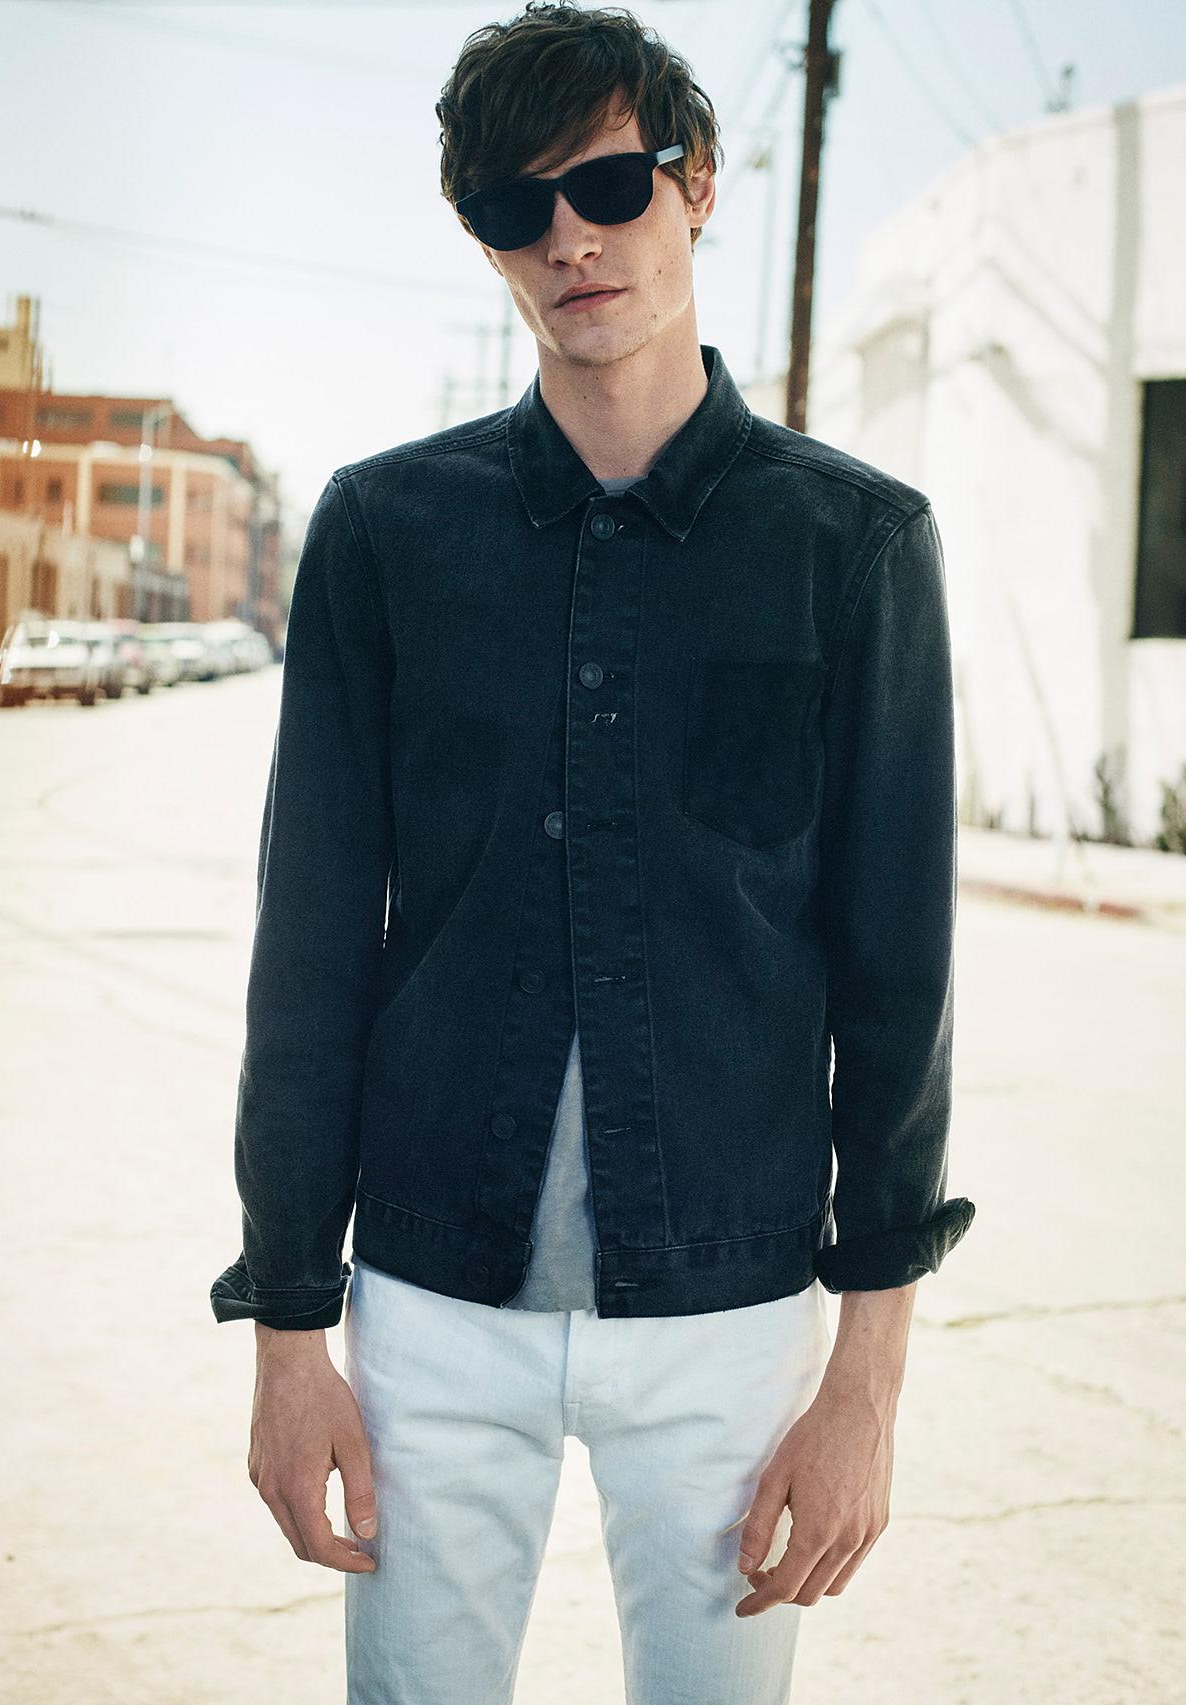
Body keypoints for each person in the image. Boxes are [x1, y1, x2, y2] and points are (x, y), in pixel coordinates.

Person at [210, 4, 976, 1701]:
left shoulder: (855, 548)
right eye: (516, 206)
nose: (570, 237)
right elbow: (312, 946)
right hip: (430, 1303)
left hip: (732, 1317)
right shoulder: (382, 534)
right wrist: (288, 1329)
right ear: (481, 236)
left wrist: (866, 1381)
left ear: (695, 187)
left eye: (611, 186)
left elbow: (897, 984)